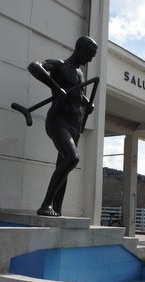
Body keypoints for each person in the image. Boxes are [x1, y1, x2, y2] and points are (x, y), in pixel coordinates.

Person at [28, 36, 97, 217]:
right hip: (58, 122)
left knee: (65, 165)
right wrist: (55, 87)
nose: (90, 59)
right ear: (79, 49)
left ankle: (57, 209)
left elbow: (77, 95)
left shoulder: (80, 74)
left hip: (75, 126)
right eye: (89, 54)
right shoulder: (60, 65)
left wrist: (87, 103)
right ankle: (46, 205)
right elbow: (34, 66)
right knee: (72, 158)